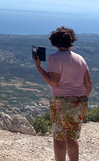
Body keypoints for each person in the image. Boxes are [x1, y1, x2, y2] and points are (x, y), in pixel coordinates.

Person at [34, 27, 92, 161]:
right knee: (71, 137)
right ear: (71, 41)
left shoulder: (54, 58)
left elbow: (53, 82)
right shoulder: (80, 59)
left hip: (61, 101)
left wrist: (39, 68)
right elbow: (88, 84)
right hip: (79, 100)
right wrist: (82, 100)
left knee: (59, 138)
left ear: (54, 42)